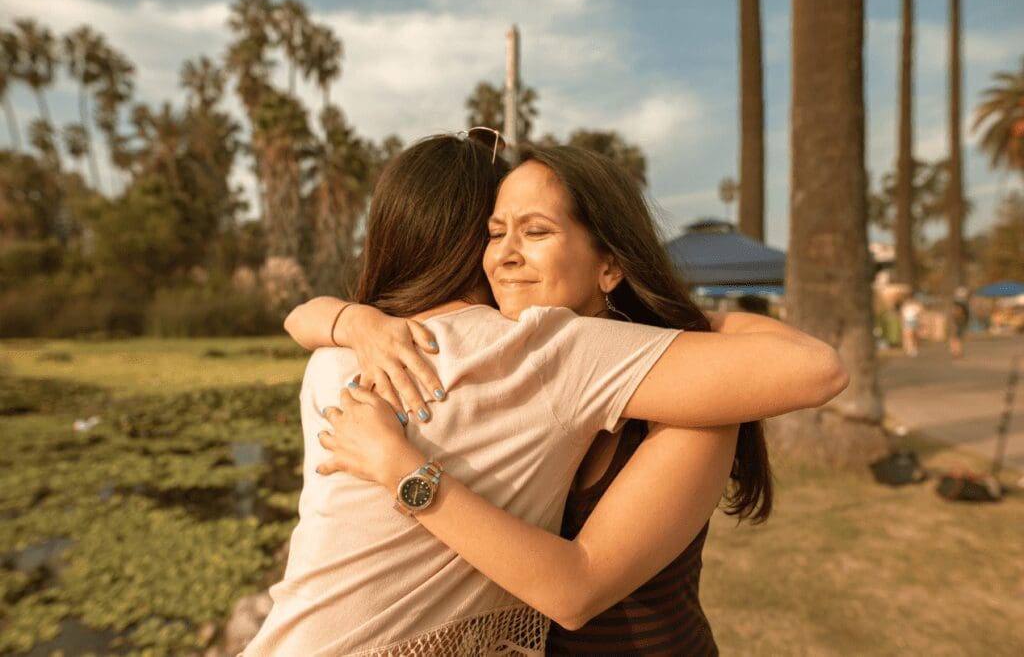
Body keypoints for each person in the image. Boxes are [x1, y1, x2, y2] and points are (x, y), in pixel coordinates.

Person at [249, 138, 847, 655]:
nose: (505, 254)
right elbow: (303, 318)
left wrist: (403, 470)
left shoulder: (656, 395)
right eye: (494, 232)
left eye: (536, 232)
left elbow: (575, 591)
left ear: (610, 266)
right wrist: (355, 321)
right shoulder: (512, 360)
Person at [949, 287, 970, 358]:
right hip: (959, 321)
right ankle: (956, 352)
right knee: (957, 337)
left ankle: (956, 351)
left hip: (959, 321)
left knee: (957, 337)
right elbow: (957, 311)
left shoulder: (959, 302)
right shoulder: (960, 302)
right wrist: (960, 318)